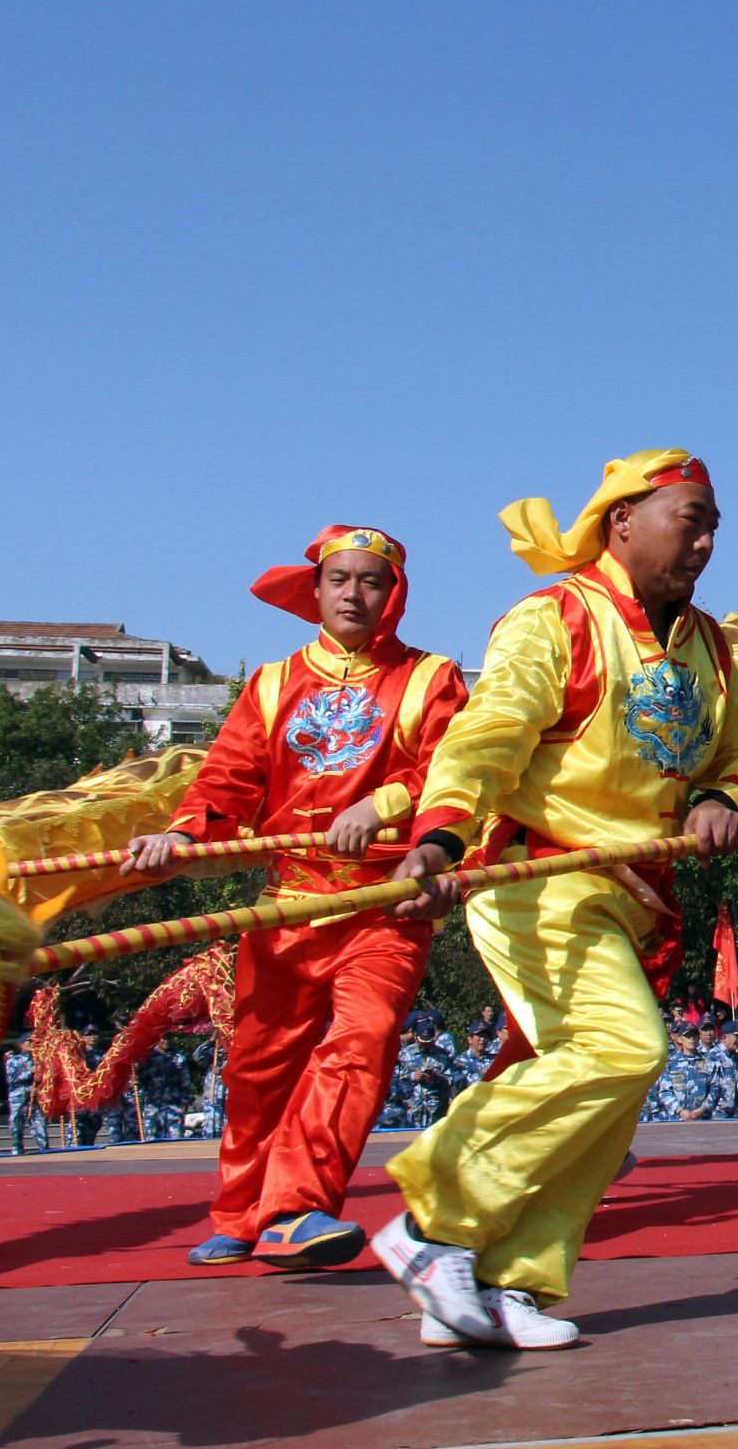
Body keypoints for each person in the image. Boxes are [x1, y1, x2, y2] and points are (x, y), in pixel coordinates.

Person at [371, 449, 738, 1351]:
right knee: (623, 1047)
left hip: (634, 893)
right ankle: (432, 1222)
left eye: (714, 525)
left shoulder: (708, 643)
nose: (707, 540)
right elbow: (490, 732)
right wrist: (437, 835)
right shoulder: (554, 617)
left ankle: (503, 1280)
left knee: (609, 1090)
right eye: (691, 518)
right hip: (541, 879)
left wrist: (724, 797)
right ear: (623, 520)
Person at [122, 524, 466, 1269]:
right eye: (339, 578)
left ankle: (297, 1208)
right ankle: (239, 1211)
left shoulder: (432, 677)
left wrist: (385, 807)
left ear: (394, 594)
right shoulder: (273, 682)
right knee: (257, 1066)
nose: (354, 592)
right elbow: (226, 780)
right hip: (285, 903)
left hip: (381, 903)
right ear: (316, 590)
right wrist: (182, 839)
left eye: (371, 581)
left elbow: (456, 771)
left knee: (361, 1045)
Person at [5, 1037, 46, 1156]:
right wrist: (30, 1072)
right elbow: (11, 1079)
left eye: (34, 1041)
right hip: (18, 1097)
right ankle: (17, 1149)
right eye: (29, 1041)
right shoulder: (13, 1061)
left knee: (39, 1123)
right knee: (16, 1124)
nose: (32, 1043)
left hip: (34, 1097)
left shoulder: (39, 1059)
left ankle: (44, 1150)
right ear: (21, 1045)